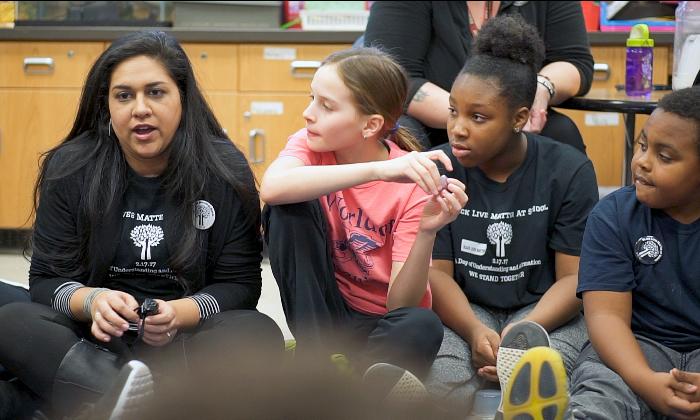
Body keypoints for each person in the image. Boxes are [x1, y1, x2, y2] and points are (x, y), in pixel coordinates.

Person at [0, 30, 283, 419]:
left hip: (185, 342)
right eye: (124, 95)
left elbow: (241, 286)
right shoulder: (71, 167)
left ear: (183, 98)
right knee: (14, 319)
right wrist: (94, 301)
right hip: (89, 342)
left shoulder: (223, 170)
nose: (140, 109)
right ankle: (147, 401)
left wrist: (179, 314)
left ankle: (103, 400)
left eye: (156, 92)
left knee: (257, 333)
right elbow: (48, 280)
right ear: (107, 106)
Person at [422, 15, 599, 415]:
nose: (457, 129)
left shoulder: (568, 170)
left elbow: (574, 280)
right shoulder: (441, 167)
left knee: (551, 356)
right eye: (453, 112)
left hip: (544, 311)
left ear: (520, 118)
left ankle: (522, 404)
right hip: (467, 308)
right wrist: (473, 331)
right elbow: (437, 274)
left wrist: (524, 329)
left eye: (477, 117)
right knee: (445, 359)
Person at [260, 47, 468, 381]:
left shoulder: (412, 183)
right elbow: (272, 188)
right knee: (285, 208)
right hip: (327, 312)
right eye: (311, 98)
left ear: (370, 125)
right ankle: (318, 363)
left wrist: (427, 232)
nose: (308, 113)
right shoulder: (312, 144)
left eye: (326, 106)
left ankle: (346, 381)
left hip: (380, 322)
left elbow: (400, 305)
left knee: (422, 324)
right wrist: (377, 171)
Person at [567, 86, 700, 419]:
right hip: (634, 350)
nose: (642, 161)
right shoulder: (612, 214)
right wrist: (645, 382)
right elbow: (606, 317)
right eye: (642, 145)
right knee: (599, 392)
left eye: (664, 156)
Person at [363, 1, 593, 151]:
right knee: (403, 135)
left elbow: (575, 62)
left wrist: (542, 87)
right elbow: (393, 76)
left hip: (518, 124)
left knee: (562, 133)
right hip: (432, 126)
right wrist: (476, 119)